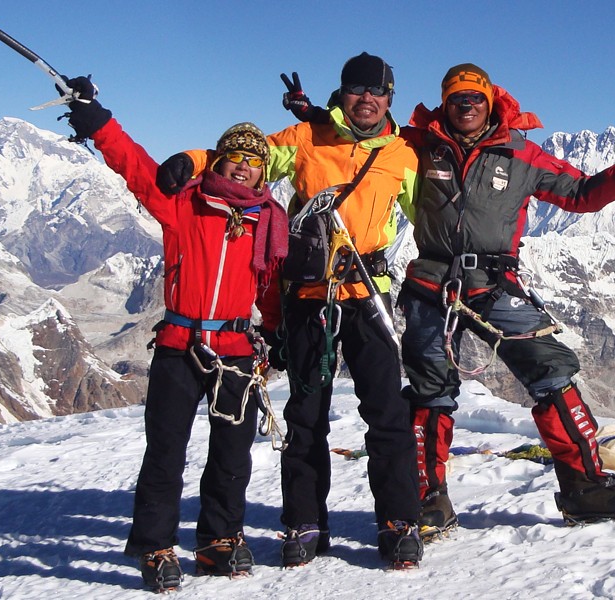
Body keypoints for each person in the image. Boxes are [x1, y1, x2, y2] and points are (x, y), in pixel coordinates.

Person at [288, 63, 615, 538]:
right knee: (428, 390)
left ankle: (585, 486)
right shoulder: (418, 143)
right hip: (430, 284)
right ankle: (425, 500)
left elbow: (581, 194)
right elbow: (367, 133)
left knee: (550, 368)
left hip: (494, 283)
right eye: (456, 99)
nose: (465, 106)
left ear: (490, 102)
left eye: (474, 98)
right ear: (445, 103)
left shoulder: (521, 154)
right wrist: (323, 115)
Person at [159, 52, 423, 569]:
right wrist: (192, 160)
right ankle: (304, 523)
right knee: (305, 417)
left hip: (369, 293)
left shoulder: (403, 153)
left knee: (387, 413)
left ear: (390, 97)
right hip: (306, 294)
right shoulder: (305, 138)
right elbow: (244, 158)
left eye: (377, 91)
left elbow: (430, 215)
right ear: (342, 92)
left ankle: (399, 522)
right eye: (356, 89)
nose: (366, 99)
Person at [61, 76, 288, 592]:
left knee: (232, 453)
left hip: (234, 347)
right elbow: (137, 169)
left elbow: (269, 287)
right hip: (179, 345)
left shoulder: (267, 223)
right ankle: (156, 545)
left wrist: (274, 333)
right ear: (217, 161)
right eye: (234, 157)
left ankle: (218, 540)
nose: (244, 166)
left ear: (262, 173)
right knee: (165, 450)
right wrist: (100, 123)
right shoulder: (184, 205)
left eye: (254, 161)